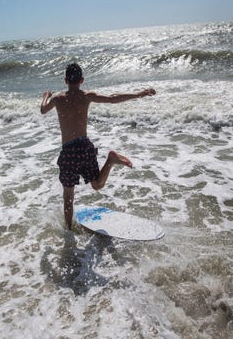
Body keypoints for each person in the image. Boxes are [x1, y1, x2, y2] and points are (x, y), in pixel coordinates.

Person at [41, 63, 156, 229]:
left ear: (65, 80)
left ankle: (69, 231)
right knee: (97, 185)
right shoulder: (87, 96)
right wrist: (138, 94)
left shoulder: (57, 99)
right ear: (82, 80)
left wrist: (46, 95)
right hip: (84, 147)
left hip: (68, 153)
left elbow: (43, 110)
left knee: (68, 197)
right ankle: (110, 160)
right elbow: (112, 98)